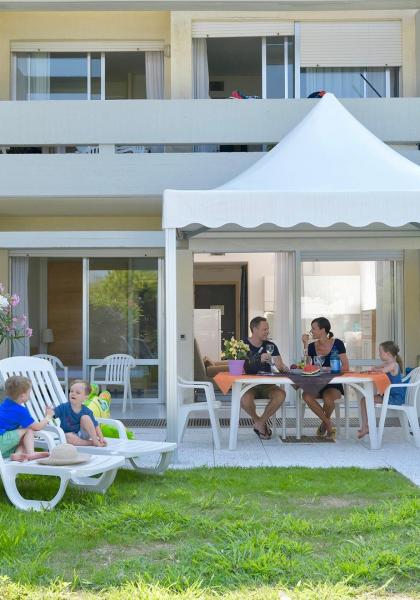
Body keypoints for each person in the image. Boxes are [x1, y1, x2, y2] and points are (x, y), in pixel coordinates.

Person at [301, 317, 349, 438]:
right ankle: (328, 422)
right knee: (306, 396)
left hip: (333, 383)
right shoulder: (312, 346)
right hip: (316, 383)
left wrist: (329, 369)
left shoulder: (337, 343)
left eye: (313, 328)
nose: (311, 331)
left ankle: (323, 423)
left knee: (329, 399)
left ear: (322, 330)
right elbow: (307, 366)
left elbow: (346, 366)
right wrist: (305, 345)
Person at [242, 316, 288, 440]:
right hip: (249, 384)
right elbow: (241, 367)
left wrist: (280, 366)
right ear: (254, 329)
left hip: (268, 384)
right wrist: (258, 359)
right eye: (264, 329)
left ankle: (260, 423)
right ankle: (259, 422)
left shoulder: (270, 345)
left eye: (268, 329)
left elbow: (279, 365)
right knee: (245, 399)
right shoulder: (242, 345)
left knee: (281, 395)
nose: (267, 332)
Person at [358, 341, 405, 439]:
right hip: (387, 395)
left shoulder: (394, 365)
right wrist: (374, 368)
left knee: (365, 400)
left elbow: (382, 371)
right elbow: (378, 368)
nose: (379, 354)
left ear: (387, 353)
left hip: (395, 398)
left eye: (380, 352)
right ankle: (366, 426)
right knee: (364, 400)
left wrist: (375, 370)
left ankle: (367, 426)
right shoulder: (387, 363)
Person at [0, 375, 51, 462]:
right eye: (29, 393)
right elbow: (37, 427)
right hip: (2, 441)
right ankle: (31, 453)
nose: (29, 395)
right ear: (23, 396)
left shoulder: (6, 403)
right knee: (28, 430)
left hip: (3, 443)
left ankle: (17, 454)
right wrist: (48, 417)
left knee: (22, 434)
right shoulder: (20, 411)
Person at [53, 379, 107, 447]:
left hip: (83, 433)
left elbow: (95, 425)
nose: (73, 393)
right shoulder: (63, 407)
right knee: (67, 437)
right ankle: (91, 443)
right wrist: (49, 412)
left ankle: (95, 440)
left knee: (85, 418)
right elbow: (52, 414)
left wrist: (101, 438)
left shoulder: (87, 411)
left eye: (77, 393)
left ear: (85, 398)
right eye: (71, 391)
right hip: (70, 436)